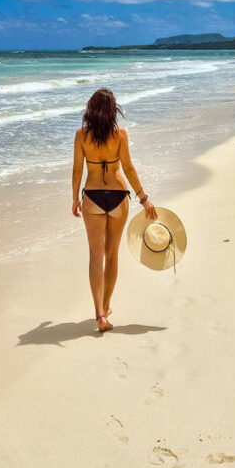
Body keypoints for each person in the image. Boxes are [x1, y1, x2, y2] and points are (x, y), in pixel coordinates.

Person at [72, 87, 157, 332]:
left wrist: (74, 198)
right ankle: (106, 308)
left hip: (93, 196)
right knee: (112, 254)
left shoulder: (81, 135)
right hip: (119, 197)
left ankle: (99, 312)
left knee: (95, 255)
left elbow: (77, 170)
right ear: (113, 110)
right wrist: (143, 198)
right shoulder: (120, 134)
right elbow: (128, 169)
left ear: (90, 109)